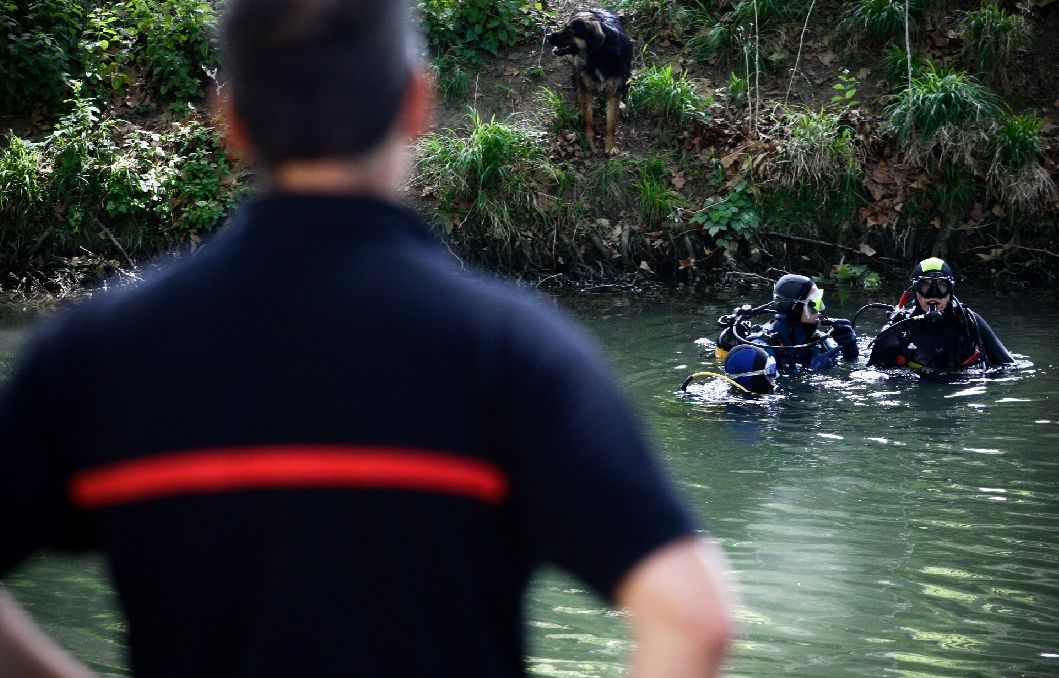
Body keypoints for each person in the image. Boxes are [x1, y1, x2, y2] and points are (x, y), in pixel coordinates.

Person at [0, 1, 734, 677]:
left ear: (231, 120)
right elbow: (693, 617)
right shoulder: (514, 350)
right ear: (418, 102)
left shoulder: (96, 352)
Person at [867, 257, 1013, 372]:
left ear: (950, 291)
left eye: (941, 286)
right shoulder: (899, 329)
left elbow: (1007, 365)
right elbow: (871, 374)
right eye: (925, 285)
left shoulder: (969, 321)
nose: (933, 293)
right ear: (916, 291)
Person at [716, 274, 859, 375]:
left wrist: (850, 348)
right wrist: (811, 373)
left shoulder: (820, 341)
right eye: (813, 303)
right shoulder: (763, 347)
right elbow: (765, 395)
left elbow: (851, 369)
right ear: (794, 307)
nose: (820, 308)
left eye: (819, 301)